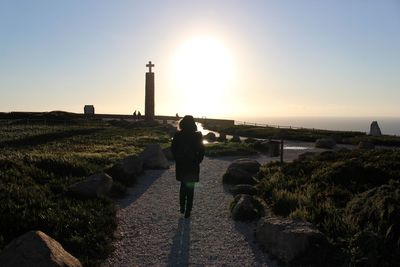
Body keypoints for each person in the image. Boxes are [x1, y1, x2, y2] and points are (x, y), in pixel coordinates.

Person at [171, 115, 205, 218]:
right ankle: (188, 210)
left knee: (183, 186)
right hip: (193, 164)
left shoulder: (178, 135)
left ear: (182, 123)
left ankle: (182, 207)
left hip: (182, 164)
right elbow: (202, 150)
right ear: (193, 124)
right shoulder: (197, 135)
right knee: (191, 188)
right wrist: (198, 160)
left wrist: (177, 159)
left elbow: (173, 149)